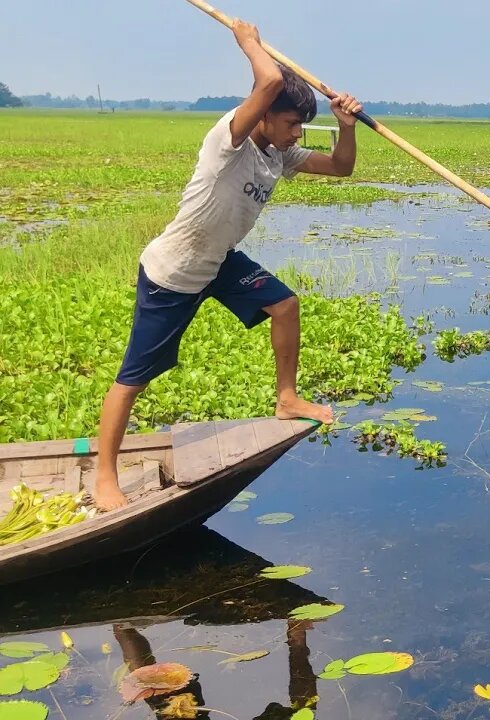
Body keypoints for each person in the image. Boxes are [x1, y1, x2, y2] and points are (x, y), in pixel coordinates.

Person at [95, 18, 358, 510]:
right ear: (262, 116)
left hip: (218, 261)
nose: (296, 133)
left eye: (301, 125)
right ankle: (104, 477)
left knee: (285, 304)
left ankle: (287, 397)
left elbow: (342, 167)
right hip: (174, 272)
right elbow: (270, 82)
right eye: (289, 123)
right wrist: (249, 43)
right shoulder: (229, 139)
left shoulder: (280, 155)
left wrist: (345, 127)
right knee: (135, 375)